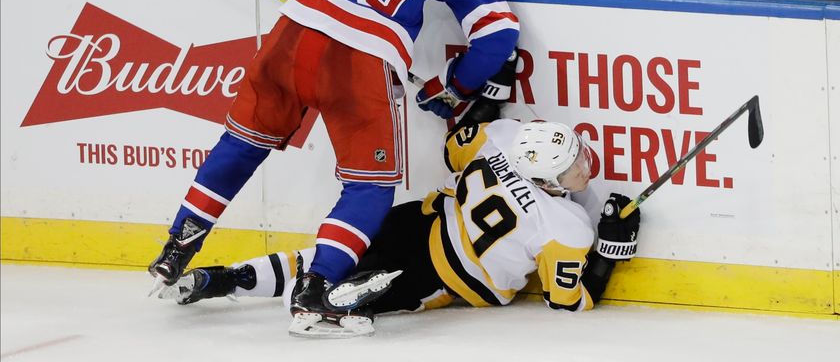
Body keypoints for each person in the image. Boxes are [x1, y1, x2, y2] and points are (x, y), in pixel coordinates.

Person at [148, 0, 520, 337]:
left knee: (241, 144)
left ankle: (178, 248)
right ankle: (316, 290)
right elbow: (499, 32)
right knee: (370, 185)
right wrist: (454, 86)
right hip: (361, 61)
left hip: (293, 38)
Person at [157, 118, 641, 338]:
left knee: (316, 261)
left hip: (419, 219)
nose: (584, 164)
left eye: (578, 152)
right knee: (328, 293)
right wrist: (610, 253)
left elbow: (456, 145)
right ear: (544, 178)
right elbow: (569, 302)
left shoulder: (505, 136)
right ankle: (338, 301)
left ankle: (224, 279)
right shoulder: (568, 227)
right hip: (449, 277)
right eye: (572, 167)